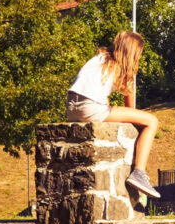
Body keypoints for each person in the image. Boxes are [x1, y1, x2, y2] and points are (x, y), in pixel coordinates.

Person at [65, 31, 161, 199]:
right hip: (91, 108)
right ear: (133, 53)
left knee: (110, 107)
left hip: (71, 108)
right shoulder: (124, 68)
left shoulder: (99, 59)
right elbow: (131, 108)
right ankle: (139, 172)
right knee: (151, 121)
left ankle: (138, 171)